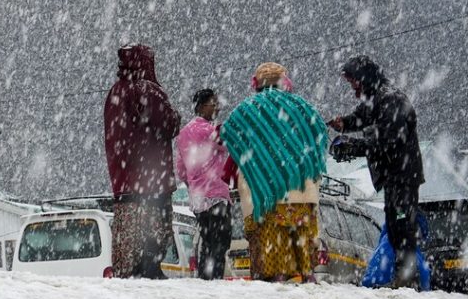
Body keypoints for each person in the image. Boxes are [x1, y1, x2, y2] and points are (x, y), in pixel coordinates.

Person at [223, 62, 326, 283]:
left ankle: (278, 287)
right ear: (283, 81)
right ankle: (308, 283)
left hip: (263, 194)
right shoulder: (302, 107)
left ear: (257, 83)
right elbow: (319, 132)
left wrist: (258, 161)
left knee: (275, 260)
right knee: (305, 260)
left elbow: (228, 132)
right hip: (301, 191)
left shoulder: (246, 111)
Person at [328, 55, 425, 288]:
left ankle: (408, 278)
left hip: (403, 175)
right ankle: (403, 277)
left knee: (402, 226)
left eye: (354, 81)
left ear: (365, 78)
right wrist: (344, 123)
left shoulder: (391, 99)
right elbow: (362, 117)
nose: (352, 87)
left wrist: (355, 146)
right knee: (394, 225)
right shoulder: (377, 98)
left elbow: (388, 139)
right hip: (394, 175)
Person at [104, 44, 181, 278]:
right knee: (155, 229)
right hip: (151, 178)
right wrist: (175, 115)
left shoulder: (114, 92)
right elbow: (168, 124)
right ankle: (150, 268)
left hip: (124, 180)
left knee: (129, 235)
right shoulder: (146, 89)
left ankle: (133, 269)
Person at [175, 88, 235, 280]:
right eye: (213, 104)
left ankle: (204, 279)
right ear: (201, 107)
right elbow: (227, 144)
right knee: (220, 242)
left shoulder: (183, 134)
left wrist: (193, 184)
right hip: (216, 194)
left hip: (198, 198)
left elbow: (180, 168)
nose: (216, 108)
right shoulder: (209, 130)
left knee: (207, 241)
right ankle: (214, 280)